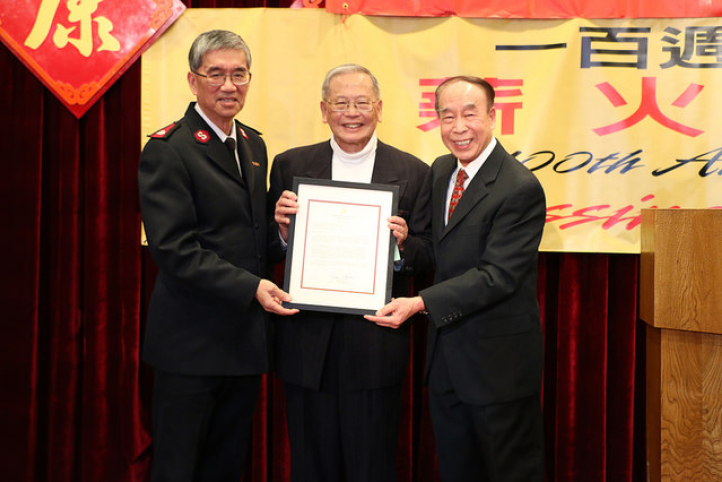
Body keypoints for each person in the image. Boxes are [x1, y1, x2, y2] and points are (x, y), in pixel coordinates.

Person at [366, 76, 547, 481]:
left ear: (493, 117)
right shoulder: (442, 169)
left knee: (509, 471)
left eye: (470, 114)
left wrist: (420, 302)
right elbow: (434, 251)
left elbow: (497, 276)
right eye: (447, 116)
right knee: (456, 469)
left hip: (498, 366)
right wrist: (401, 242)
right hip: (447, 359)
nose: (459, 127)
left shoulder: (519, 187)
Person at [138, 29, 297, 481]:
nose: (229, 86)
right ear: (193, 81)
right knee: (178, 466)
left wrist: (282, 234)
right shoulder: (169, 149)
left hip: (243, 342)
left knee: (227, 466)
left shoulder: (253, 144)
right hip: (190, 343)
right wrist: (252, 287)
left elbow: (252, 236)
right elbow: (174, 250)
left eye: (239, 74)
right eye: (216, 75)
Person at [270, 64, 431, 482]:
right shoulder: (290, 165)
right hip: (307, 344)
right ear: (324, 110)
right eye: (340, 103)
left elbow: (428, 254)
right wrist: (284, 234)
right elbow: (267, 247)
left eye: (362, 103)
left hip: (374, 343)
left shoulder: (414, 171)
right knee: (311, 464)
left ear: (379, 108)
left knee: (371, 465)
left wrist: (401, 248)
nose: (352, 112)